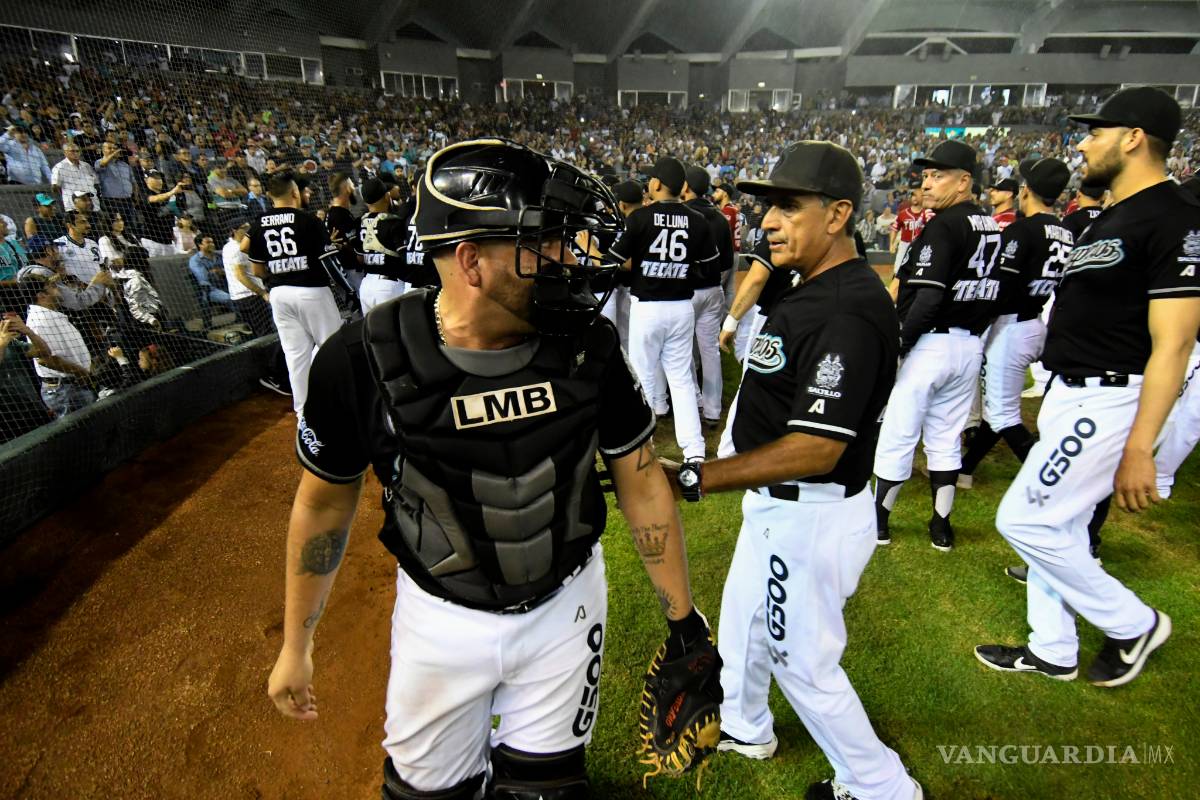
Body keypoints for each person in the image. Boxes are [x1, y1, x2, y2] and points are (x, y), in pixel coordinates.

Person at [266, 138, 717, 799]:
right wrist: (297, 642)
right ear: (471, 260)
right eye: (547, 242)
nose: (570, 259)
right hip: (439, 621)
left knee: (547, 793)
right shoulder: (362, 358)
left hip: (566, 609)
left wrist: (684, 622)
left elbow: (641, 477)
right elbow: (324, 504)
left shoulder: (588, 345)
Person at [665, 141, 922, 800]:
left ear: (838, 214)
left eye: (787, 206)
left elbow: (818, 445)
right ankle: (749, 725)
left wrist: (697, 476)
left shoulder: (849, 307)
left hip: (811, 511)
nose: (767, 221)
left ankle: (879, 787)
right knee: (744, 623)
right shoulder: (817, 286)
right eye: (766, 206)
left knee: (801, 661)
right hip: (782, 507)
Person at [975, 87, 1199, 687]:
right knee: (1062, 527)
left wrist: (1139, 446)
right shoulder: (1111, 215)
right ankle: (1052, 649)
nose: (1083, 142)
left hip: (1110, 397)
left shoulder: (1176, 219)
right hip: (1069, 392)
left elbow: (1174, 343)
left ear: (1133, 138)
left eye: (1096, 132)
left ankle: (1134, 624)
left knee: (1024, 521)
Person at [873, 140, 1002, 551]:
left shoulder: (944, 225)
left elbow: (927, 297)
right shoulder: (989, 223)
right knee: (945, 438)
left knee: (898, 433)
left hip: (931, 343)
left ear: (964, 181)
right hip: (968, 345)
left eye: (938, 175)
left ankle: (878, 523)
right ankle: (940, 527)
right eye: (926, 176)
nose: (927, 183)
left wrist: (900, 342)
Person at [959, 158, 1073, 485]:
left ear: (1025, 191)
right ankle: (966, 470)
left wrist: (977, 322)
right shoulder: (1064, 230)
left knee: (1003, 414)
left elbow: (1002, 286)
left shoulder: (1023, 230)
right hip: (1035, 320)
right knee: (1000, 407)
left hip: (1011, 326)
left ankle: (1047, 477)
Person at [606, 156, 719, 462]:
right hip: (681, 307)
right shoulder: (697, 219)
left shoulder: (639, 218)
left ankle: (644, 447)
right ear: (682, 187)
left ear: (656, 183)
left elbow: (617, 259)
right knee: (681, 380)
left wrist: (647, 265)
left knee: (642, 378)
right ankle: (694, 452)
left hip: (647, 309)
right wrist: (681, 269)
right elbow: (711, 268)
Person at [243, 172, 342, 418]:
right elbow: (328, 262)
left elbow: (256, 269)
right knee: (333, 349)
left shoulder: (258, 222)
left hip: (279, 294)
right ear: (295, 192)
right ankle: (340, 408)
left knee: (296, 356)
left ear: (269, 195)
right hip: (312, 291)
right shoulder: (308, 220)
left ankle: (303, 416)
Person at [682, 165, 735, 429]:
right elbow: (727, 263)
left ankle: (696, 403)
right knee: (710, 352)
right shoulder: (720, 217)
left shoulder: (684, 215)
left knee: (684, 352)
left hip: (688, 292)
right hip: (714, 290)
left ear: (687, 187)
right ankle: (713, 411)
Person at [222, 220, 290, 396]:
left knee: (261, 336)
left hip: (243, 297)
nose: (247, 231)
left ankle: (267, 375)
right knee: (266, 336)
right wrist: (261, 293)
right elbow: (240, 275)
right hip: (249, 297)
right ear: (233, 230)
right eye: (244, 228)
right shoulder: (236, 248)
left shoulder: (230, 247)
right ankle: (271, 375)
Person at [19, 272, 97, 418]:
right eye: (52, 286)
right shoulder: (41, 320)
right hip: (65, 390)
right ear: (41, 295)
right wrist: (81, 372)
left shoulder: (49, 314)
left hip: (72, 385)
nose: (58, 289)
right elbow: (46, 359)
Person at [888, 185, 931, 293]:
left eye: (917, 195)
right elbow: (894, 228)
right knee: (898, 269)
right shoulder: (903, 214)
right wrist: (891, 244)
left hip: (920, 245)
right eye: (913, 196)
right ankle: (894, 293)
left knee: (919, 270)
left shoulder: (926, 213)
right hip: (904, 244)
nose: (914, 198)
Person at [188, 234, 233, 317]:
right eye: (208, 242)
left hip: (227, 284)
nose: (212, 244)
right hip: (210, 289)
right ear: (200, 245)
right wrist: (214, 272)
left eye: (212, 242)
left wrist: (222, 271)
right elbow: (203, 278)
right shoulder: (195, 260)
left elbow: (232, 269)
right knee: (231, 298)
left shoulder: (220, 255)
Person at [51, 142, 101, 212]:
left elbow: (96, 183)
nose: (75, 153)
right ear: (65, 153)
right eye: (72, 151)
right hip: (73, 207)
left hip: (93, 205)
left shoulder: (86, 166)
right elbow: (55, 187)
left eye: (77, 151)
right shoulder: (59, 167)